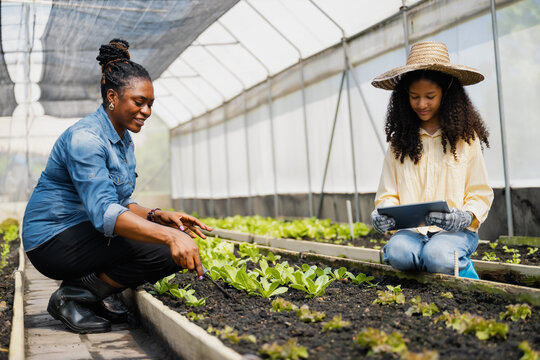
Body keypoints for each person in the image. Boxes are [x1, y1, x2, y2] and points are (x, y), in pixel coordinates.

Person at [22, 39, 212, 334]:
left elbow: (119, 201)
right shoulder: (86, 139)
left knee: (164, 240)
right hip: (52, 240)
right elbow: (105, 214)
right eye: (139, 102)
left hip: (80, 230)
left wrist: (158, 216)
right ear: (112, 96)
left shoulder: (122, 139)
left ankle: (88, 298)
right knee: (161, 249)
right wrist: (169, 237)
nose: (147, 111)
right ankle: (72, 297)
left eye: (150, 104)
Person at [369, 42, 494, 279]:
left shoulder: (466, 139)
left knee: (438, 255)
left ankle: (470, 280)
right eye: (414, 97)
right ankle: (430, 272)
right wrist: (382, 215)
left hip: (455, 232)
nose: (421, 104)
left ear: (446, 95)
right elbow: (387, 193)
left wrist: (465, 217)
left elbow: (480, 192)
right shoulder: (399, 143)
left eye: (430, 96)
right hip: (412, 232)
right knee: (398, 252)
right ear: (404, 98)